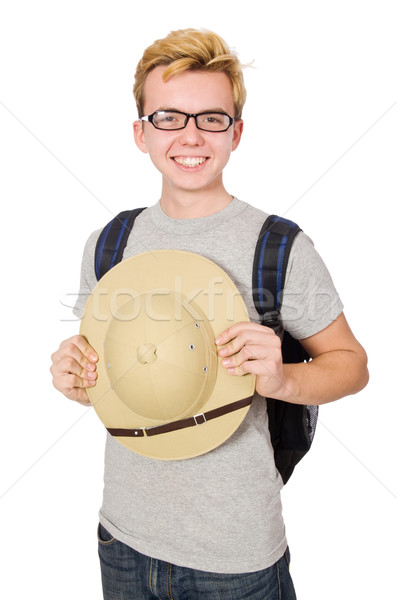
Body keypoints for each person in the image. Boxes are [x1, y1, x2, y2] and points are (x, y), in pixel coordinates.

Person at [50, 28, 369, 599]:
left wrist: (284, 378)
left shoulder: (280, 247)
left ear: (236, 132)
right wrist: (76, 377)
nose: (190, 135)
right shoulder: (109, 244)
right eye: (168, 117)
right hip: (122, 542)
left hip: (237, 556)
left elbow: (352, 365)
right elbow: (117, 374)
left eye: (212, 118)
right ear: (140, 133)